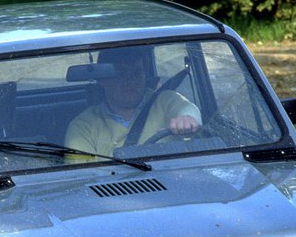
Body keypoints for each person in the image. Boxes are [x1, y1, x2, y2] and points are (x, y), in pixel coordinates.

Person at [65, 46, 200, 157]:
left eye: (136, 73)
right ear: (103, 80)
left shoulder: (165, 100)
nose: (130, 81)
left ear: (144, 75)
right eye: (121, 74)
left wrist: (186, 119)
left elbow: (187, 108)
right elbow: (83, 178)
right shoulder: (83, 126)